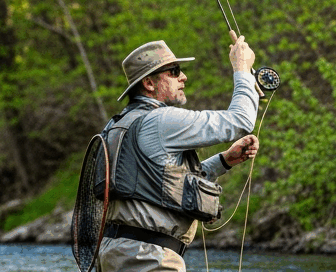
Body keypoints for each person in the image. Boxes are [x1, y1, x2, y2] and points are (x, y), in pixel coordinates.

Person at [97, 31, 260, 272]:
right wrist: (242, 69)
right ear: (149, 83)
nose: (183, 77)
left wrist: (223, 161)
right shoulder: (161, 120)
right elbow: (240, 120)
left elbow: (159, 184)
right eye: (174, 71)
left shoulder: (118, 125)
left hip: (116, 254)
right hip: (148, 258)